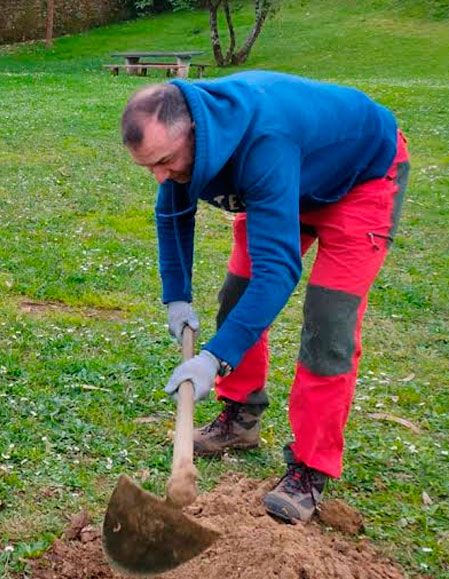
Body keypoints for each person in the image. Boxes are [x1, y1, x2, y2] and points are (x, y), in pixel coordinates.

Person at [120, 71, 410, 523]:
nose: (160, 175)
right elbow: (173, 212)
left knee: (328, 326)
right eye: (149, 166)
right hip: (289, 180)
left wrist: (214, 357)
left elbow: (277, 273)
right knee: (238, 296)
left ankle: (310, 470)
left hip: (360, 182)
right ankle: (240, 417)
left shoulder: (264, 141)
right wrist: (176, 296)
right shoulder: (190, 145)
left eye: (165, 160)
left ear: (196, 133)